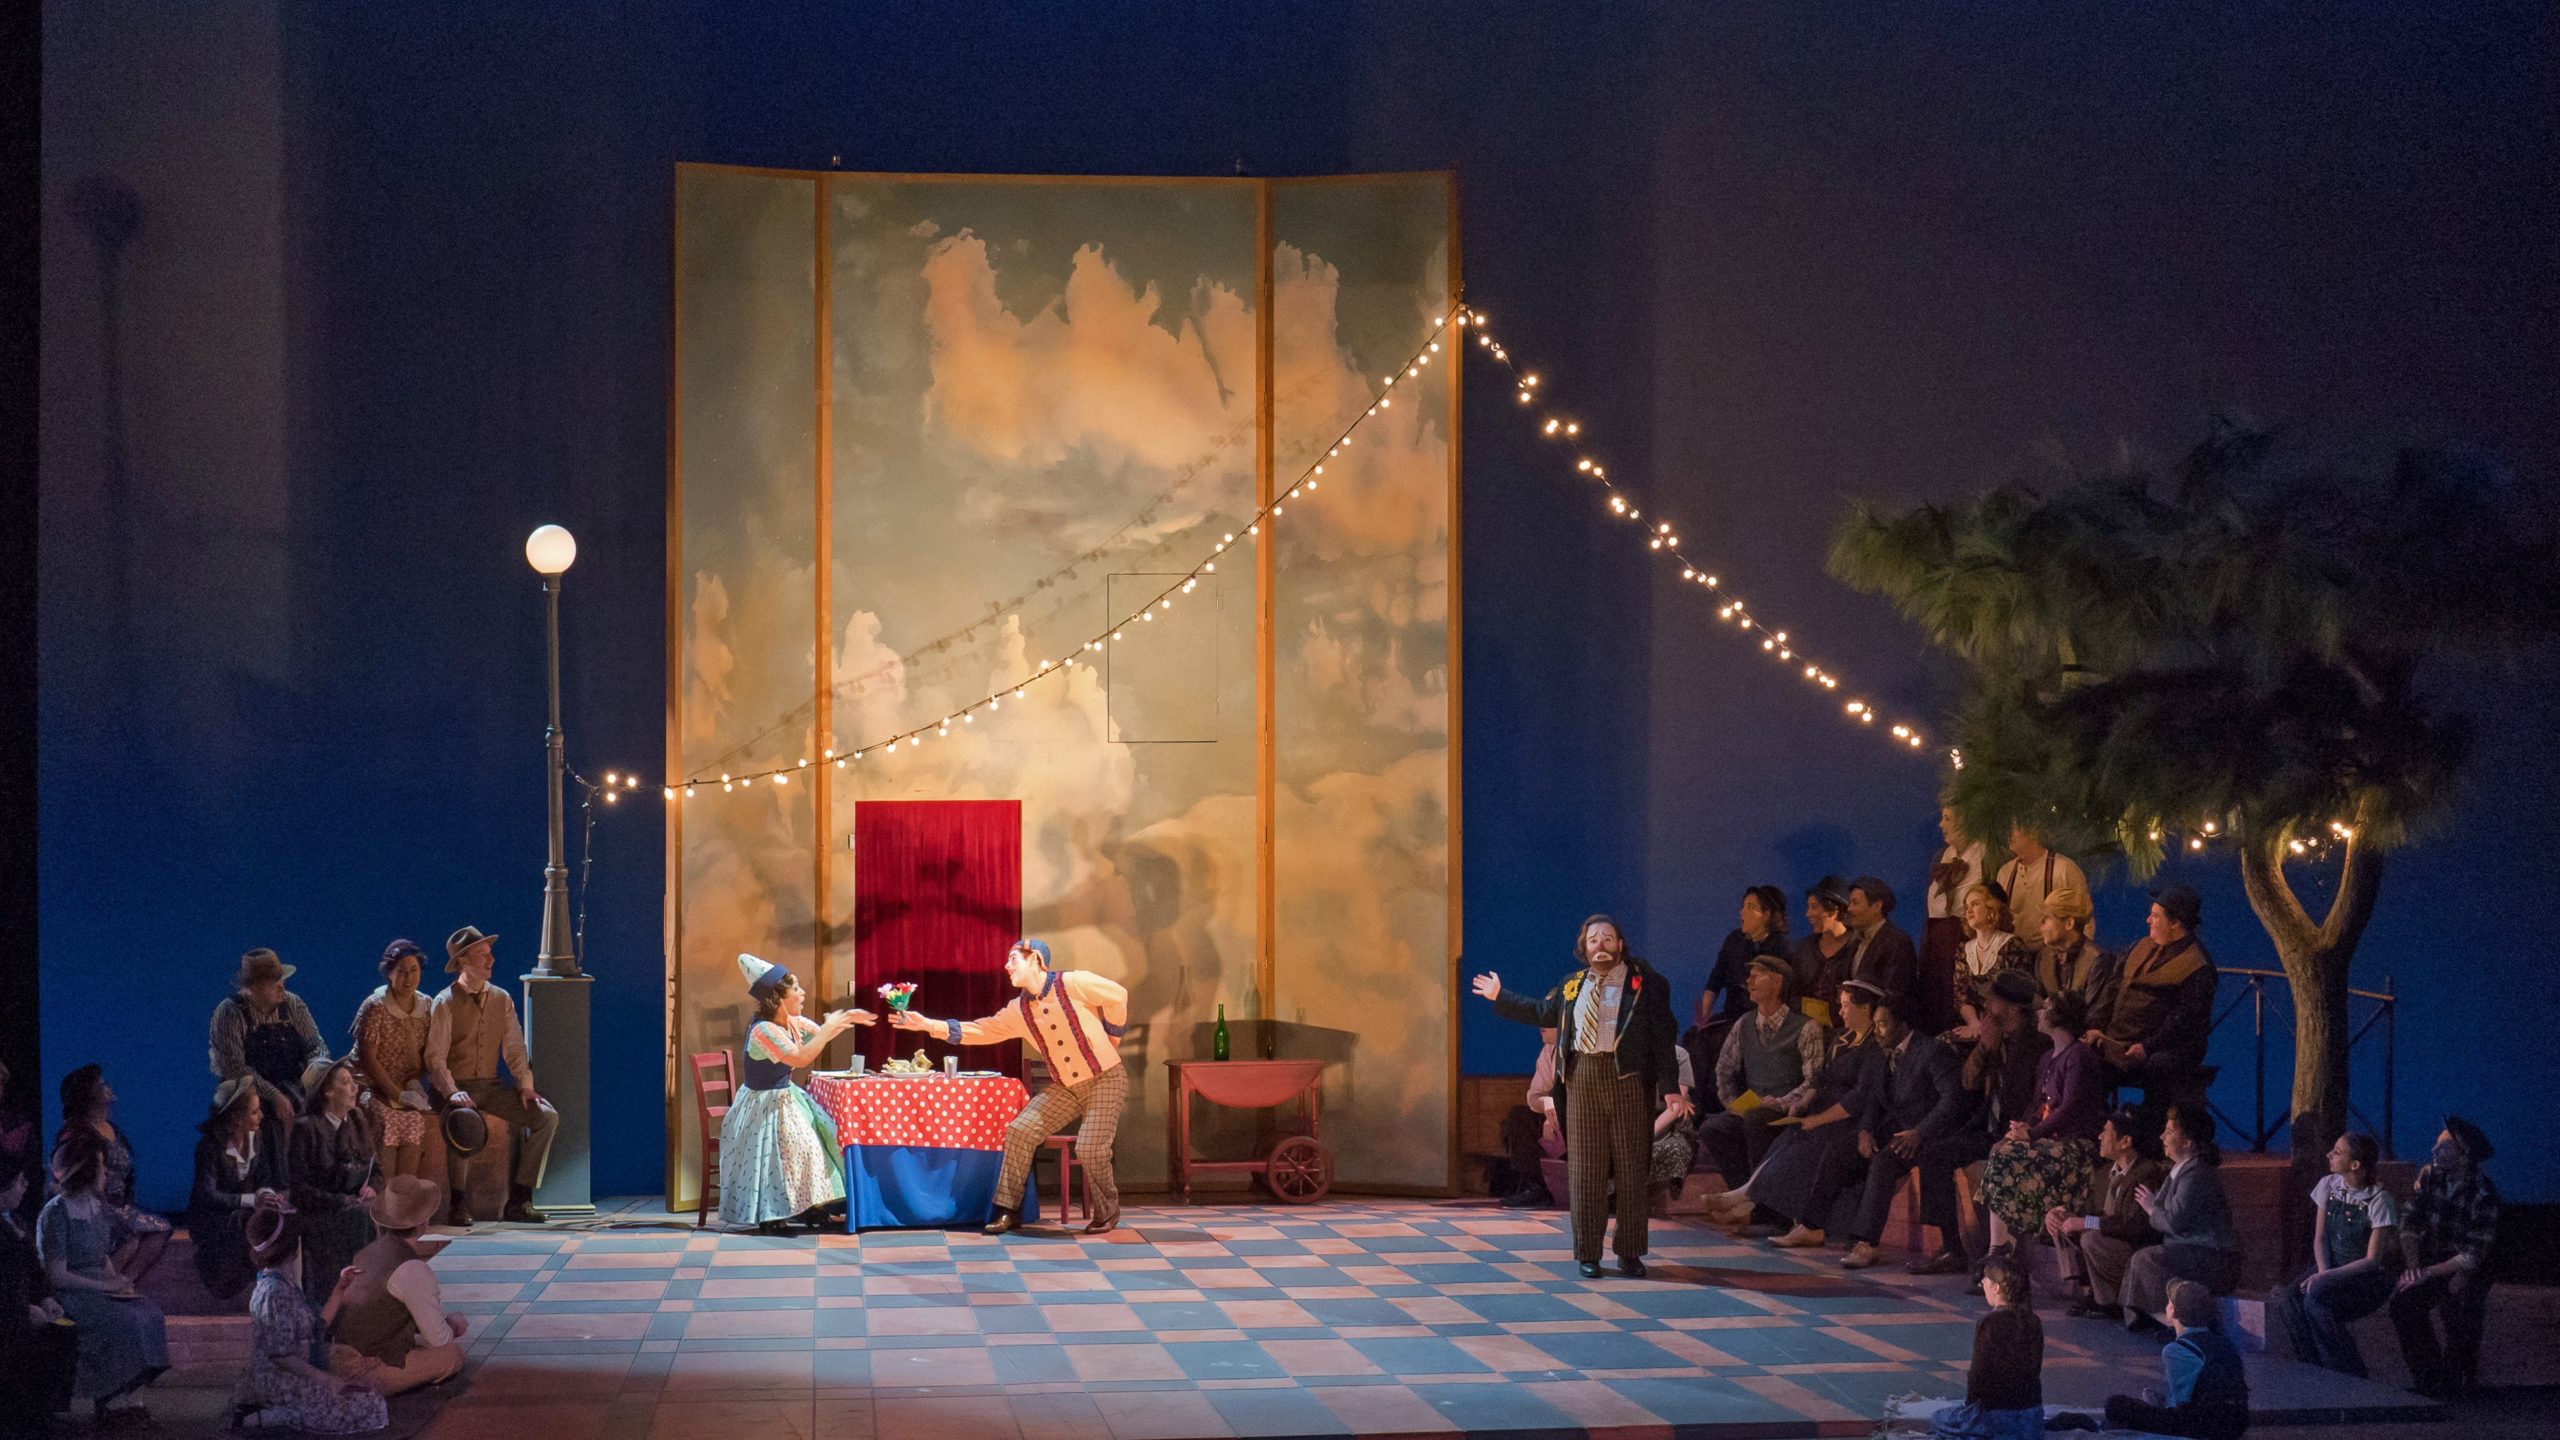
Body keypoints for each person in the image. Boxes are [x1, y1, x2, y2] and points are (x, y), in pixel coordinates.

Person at [1474, 915, 1686, 1278]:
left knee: (1632, 1169)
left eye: (1607, 939)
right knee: (1586, 1172)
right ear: (1583, 949)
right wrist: (1500, 996)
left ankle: (1630, 1252)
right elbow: (1541, 1012)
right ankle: (1588, 1252)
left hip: (1628, 1080)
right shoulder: (1572, 985)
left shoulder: (1644, 985)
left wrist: (1669, 1087)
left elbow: (1663, 1039)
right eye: (1593, 941)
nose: (1600, 945)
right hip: (1582, 1079)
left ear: (1620, 944)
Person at [893, 938, 1132, 1236]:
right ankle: (1009, 1210)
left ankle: (1108, 1211)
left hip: (1104, 1078)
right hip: (1067, 1086)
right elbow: (982, 1029)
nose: (1006, 966)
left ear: (1036, 961)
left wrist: (1113, 1037)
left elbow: (1117, 995)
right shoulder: (1019, 1009)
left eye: (1013, 959)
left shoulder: (1073, 983)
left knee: (1089, 1147)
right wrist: (929, 1025)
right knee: (1020, 1131)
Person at [1703, 979, 1893, 1249]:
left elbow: (1859, 1097)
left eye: (1846, 1006)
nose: (1841, 1012)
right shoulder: (1841, 1039)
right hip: (1822, 1110)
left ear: (1864, 1009)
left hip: (1845, 1120)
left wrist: (1817, 1119)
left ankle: (1755, 1200)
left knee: (1806, 1144)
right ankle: (1748, 1195)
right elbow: (1819, 1079)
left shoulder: (1874, 1048)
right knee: (1787, 1137)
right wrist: (1801, 1104)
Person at [1907, 969, 2047, 1276]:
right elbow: (1969, 1083)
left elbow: (2027, 1097)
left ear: (2012, 1009)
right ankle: (1951, 1248)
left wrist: (2016, 1133)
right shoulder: (1993, 1038)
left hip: (2017, 1133)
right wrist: (1984, 1048)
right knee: (1934, 1155)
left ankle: (1995, 1258)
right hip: (1985, 1128)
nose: (1986, 1005)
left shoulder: (2034, 1046)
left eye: (1994, 1000)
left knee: (1990, 1171)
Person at [722, 954, 873, 1231]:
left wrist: (846, 1018)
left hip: (785, 1097)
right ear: (779, 997)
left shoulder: (792, 1022)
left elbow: (818, 1036)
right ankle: (772, 1212)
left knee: (821, 1136)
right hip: (763, 1104)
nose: (803, 993)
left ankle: (809, 1205)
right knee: (795, 1146)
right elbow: (801, 1057)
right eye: (796, 989)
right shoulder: (764, 1031)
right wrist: (827, 1030)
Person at [425, 926, 557, 1226]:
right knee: (464, 1121)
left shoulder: (502, 998)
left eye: (489, 954)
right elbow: (435, 1057)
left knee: (546, 1118)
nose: (490, 960)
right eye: (482, 956)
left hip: (489, 1085)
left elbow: (514, 1047)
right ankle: (458, 1204)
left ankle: (520, 1199)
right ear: (463, 963)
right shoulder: (444, 1002)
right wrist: (451, 1092)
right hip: (455, 1087)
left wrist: (525, 1086)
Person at [37, 1134, 168, 1427]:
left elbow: (102, 1258)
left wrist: (118, 1281)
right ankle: (110, 1400)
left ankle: (132, 1401)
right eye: (100, 1167)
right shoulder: (57, 1213)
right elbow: (57, 1274)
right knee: (124, 1322)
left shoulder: (97, 1208)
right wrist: (104, 1286)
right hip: (73, 1292)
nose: (106, 1173)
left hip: (97, 1285)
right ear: (85, 1171)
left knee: (149, 1314)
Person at [1839, 990, 1969, 1271]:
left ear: (1903, 1025)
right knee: (1840, 1149)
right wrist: (1865, 1129)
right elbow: (1874, 1098)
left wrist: (1920, 1132)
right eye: (1875, 1023)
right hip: (1898, 1130)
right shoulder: (1883, 1052)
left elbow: (1952, 1100)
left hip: (1931, 1132)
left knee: (1885, 1160)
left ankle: (1867, 1242)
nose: (1877, 1031)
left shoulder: (1932, 1052)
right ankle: (1821, 1224)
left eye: (1883, 1024)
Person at [235, 1207, 387, 1434]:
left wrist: (341, 1287)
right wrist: (327, 1381)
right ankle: (270, 1415)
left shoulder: (283, 1284)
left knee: (370, 1398)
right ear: (290, 1246)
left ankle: (278, 1414)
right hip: (280, 1382)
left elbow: (317, 1325)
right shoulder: (274, 1291)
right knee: (368, 1407)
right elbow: (280, 1355)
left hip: (296, 1375)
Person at [1979, 990, 2105, 1258]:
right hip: (2049, 1139)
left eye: (2046, 1007)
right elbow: (2038, 1104)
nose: (2039, 1012)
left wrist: (2033, 1134)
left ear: (2060, 1016)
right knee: (2001, 1148)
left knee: (2004, 1157)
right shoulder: (2048, 1058)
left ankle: (2000, 1248)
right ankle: (1999, 1246)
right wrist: (2021, 1128)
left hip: (2075, 1144)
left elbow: (2070, 1108)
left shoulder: (2078, 1057)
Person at [1696, 953, 1825, 1208]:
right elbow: (1723, 1071)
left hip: (1787, 1110)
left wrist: (1779, 1103)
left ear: (1777, 982)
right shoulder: (1744, 1024)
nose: (1749, 981)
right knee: (1713, 1128)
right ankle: (1745, 1198)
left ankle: (1764, 1205)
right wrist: (1733, 1104)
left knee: (1758, 1121)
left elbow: (1813, 1080)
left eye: (1757, 975)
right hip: (1753, 1109)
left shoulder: (1806, 1027)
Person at [2268, 1131, 2399, 1377]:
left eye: (2337, 1152)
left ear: (2355, 1164)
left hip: (2365, 1277)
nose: (2329, 1154)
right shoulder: (2329, 1185)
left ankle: (2350, 1373)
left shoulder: (2379, 1201)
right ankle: (2312, 1366)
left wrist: (2326, 1279)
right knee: (2288, 1298)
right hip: (2331, 1267)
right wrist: (2323, 1273)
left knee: (2316, 1303)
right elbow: (2320, 1238)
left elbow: (2372, 1260)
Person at [2389, 1115, 2501, 1399]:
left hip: (2468, 1263)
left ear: (2464, 1156)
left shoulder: (2484, 1194)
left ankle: (2461, 1377)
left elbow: (2473, 1256)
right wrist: (2414, 1268)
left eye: (2444, 1147)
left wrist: (2427, 1274)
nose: (2434, 1151)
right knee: (2404, 1305)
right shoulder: (2430, 1175)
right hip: (2435, 1257)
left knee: (2461, 1308)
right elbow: (2410, 1221)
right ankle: (2428, 1376)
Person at [327, 1176, 465, 1396]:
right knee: (451, 1355)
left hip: (335, 1357)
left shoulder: (366, 1253)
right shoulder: (412, 1268)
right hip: (365, 1368)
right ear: (423, 1223)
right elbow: (440, 1339)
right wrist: (452, 1324)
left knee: (419, 1343)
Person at [2088, 885, 2217, 1103]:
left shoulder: (2197, 967)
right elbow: (2113, 986)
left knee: (2160, 1069)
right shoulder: (2140, 946)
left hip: (2165, 1047)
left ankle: (2150, 1133)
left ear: (2175, 923)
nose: (2148, 920)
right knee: (2080, 1058)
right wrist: (2096, 1025)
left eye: (2155, 916)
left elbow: (2184, 1021)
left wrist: (2147, 1047)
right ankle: (2092, 1130)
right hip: (2119, 1039)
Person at [2120, 1105, 2241, 1330]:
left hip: (2213, 1259)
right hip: (2192, 1252)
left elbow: (2174, 1221)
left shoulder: (2196, 1174)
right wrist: (2154, 1208)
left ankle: (2174, 1320)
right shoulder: (2180, 1171)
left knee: (2147, 1259)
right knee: (2141, 1256)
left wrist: (2151, 1210)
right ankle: (2145, 1316)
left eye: (2169, 1132)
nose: (2162, 1137)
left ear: (2187, 1142)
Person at [48, 1066, 168, 1285]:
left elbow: (127, 1172)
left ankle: (125, 1282)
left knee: (158, 1230)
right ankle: (105, 1285)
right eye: (101, 1083)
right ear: (89, 1093)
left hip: (120, 1205)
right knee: (130, 1240)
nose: (107, 1087)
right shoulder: (77, 1132)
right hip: (93, 1205)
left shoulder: (110, 1127)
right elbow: (63, 1173)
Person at [2087, 1279, 2249, 1440]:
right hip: (2237, 1423)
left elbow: (2182, 1406)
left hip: (2204, 1426)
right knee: (2151, 1399)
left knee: (2115, 1405)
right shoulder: (2222, 1340)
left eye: (2169, 1302)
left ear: (2172, 1311)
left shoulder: (2176, 1350)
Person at [2045, 1108, 2165, 1320]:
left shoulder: (2146, 1173)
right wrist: (2058, 1215)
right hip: (2107, 1242)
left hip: (2130, 1248)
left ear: (2125, 1141)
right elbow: (2087, 1211)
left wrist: (2087, 1222)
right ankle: (2088, 1289)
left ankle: (2107, 1302)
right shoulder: (2103, 1174)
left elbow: (2135, 1224)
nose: (2099, 1137)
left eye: (2106, 1131)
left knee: (2091, 1236)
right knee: (2060, 1221)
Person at [350, 939, 447, 1187]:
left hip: (406, 1086)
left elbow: (428, 1051)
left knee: (414, 1121)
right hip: (371, 1085)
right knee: (386, 1121)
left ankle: (404, 1202)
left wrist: (414, 1083)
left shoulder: (425, 1005)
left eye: (413, 970)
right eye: (401, 971)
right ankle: (383, 1200)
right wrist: (396, 1094)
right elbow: (368, 1059)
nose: (408, 977)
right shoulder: (375, 1006)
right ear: (389, 973)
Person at [1686, 886, 1790, 1102]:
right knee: (1694, 1040)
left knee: (1724, 1045)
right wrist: (1703, 1017)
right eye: (1742, 906)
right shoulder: (1734, 940)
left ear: (1767, 914)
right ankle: (1694, 1108)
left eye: (1750, 907)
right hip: (1731, 1015)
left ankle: (1721, 1105)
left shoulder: (1781, 947)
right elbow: (1715, 981)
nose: (1742, 912)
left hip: (1760, 1019)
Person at [210, 948, 335, 1126]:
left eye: (281, 979)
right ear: (252, 987)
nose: (281, 985)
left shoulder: (293, 1003)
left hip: (296, 1097)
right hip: (251, 1108)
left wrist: (314, 1073)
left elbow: (316, 1045)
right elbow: (234, 1067)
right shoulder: (230, 1012)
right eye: (272, 981)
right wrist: (274, 1095)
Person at [189, 1078, 289, 1300]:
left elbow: (263, 1176)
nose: (261, 1116)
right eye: (254, 1112)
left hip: (244, 1210)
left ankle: (277, 1280)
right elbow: (208, 1195)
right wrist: (252, 1200)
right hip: (215, 1218)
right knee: (244, 1218)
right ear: (236, 1117)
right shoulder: (210, 1147)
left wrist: (266, 1195)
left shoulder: (257, 1138)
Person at [0, 1157, 79, 1436]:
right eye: (19, 1181)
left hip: (22, 1305)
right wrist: (22, 1312)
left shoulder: (16, 1221)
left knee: (63, 1333)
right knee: (20, 1338)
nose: (25, 1187)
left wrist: (46, 1298)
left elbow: (35, 1271)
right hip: (8, 1312)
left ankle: (42, 1411)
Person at [291, 1060, 380, 1303]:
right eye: (346, 1082)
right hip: (323, 1215)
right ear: (328, 1092)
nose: (354, 1088)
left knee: (375, 1212)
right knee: (362, 1217)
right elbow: (300, 1189)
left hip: (356, 1209)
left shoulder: (357, 1120)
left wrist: (372, 1187)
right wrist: (343, 1201)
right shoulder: (306, 1129)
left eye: (353, 1082)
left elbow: (376, 1171)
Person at [1932, 1253, 2044, 1439]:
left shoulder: (1990, 1322)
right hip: (2031, 1416)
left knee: (1939, 1418)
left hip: (1995, 1417)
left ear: (1996, 1287)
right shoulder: (2034, 1321)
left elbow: (1978, 1372)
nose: (1982, 1284)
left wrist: (1970, 1409)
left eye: (1985, 1281)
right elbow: (2035, 1370)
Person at [1923, 807, 1995, 1050]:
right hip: (1939, 944)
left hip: (1968, 940)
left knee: (1964, 997)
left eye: (1948, 818)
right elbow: (1932, 912)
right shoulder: (1941, 857)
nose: (1941, 825)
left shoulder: (1986, 856)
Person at [2029, 886, 2118, 1035]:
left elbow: (2094, 1016)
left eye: (2048, 917)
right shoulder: (2044, 957)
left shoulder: (2098, 960)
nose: (2041, 923)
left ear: (2069, 924)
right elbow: (2038, 1002)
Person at [1496, 1030, 1564, 1208]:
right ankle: (1534, 1188)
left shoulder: (1583, 1050)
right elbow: (1534, 1096)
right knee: (1520, 1116)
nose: (1541, 1025)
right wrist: (1547, 1105)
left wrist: (1560, 1111)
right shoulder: (1549, 1050)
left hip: (1585, 1120)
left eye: (1548, 1017)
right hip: (1557, 1122)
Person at [1952, 883, 2031, 1035]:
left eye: (1975, 904)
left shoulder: (2012, 945)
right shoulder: (1964, 950)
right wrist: (1974, 1023)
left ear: (1991, 907)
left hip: (2008, 1028)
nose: (1969, 911)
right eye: (1967, 906)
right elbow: (1961, 996)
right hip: (1975, 1026)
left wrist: (1991, 1028)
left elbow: (2019, 996)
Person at [1996, 825, 2086, 943]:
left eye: (2014, 829)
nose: (2008, 834)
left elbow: (2085, 919)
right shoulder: (2005, 872)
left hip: (2053, 954)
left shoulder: (2064, 869)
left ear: (2033, 831)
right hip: (2014, 955)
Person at [1842, 877, 1919, 1005]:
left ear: (1877, 906)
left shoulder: (1897, 941)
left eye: (1855, 903)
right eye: (1850, 903)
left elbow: (1897, 992)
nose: (1849, 909)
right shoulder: (1855, 943)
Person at [1788, 879, 1855, 1026]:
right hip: (1803, 1029)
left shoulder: (1857, 949)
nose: (1808, 914)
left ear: (1834, 909)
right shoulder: (1804, 948)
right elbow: (1791, 994)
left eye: (1814, 907)